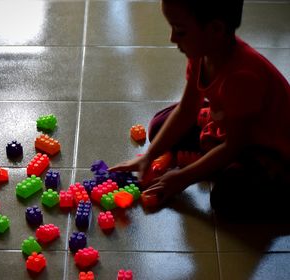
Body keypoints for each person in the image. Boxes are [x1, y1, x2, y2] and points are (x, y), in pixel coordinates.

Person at [109, 0, 290, 220]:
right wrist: (149, 156)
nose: (172, 38)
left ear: (215, 29)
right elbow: (187, 109)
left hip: (265, 148)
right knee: (159, 127)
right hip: (232, 127)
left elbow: (235, 144)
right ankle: (211, 158)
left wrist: (182, 178)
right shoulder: (202, 53)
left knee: (226, 198)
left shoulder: (242, 78)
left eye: (180, 30)